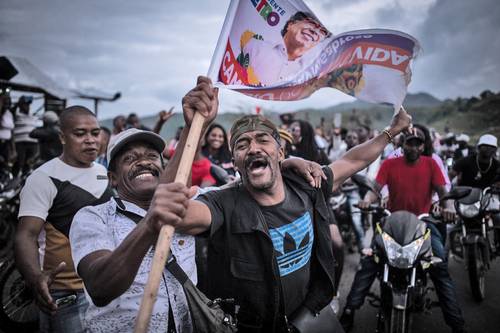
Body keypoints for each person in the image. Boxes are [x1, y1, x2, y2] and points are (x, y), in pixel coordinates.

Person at [161, 92, 412, 331]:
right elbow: (168, 211)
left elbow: (353, 160)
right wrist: (195, 128)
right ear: (235, 161)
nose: (253, 148)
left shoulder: (307, 183)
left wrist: (392, 131)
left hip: (306, 316)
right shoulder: (222, 204)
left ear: (280, 152)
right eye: (242, 144)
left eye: (263, 140)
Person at [69, 128, 197, 333]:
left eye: (152, 156)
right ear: (113, 178)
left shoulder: (187, 211)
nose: (145, 162)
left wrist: (194, 127)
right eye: (130, 158)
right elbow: (100, 288)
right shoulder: (92, 217)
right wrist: (149, 223)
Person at [340, 129, 466, 333]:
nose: (413, 147)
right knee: (371, 261)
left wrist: (449, 208)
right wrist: (366, 201)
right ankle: (348, 311)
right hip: (392, 223)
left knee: (439, 267)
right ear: (402, 145)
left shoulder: (431, 163)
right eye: (409, 143)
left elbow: (444, 192)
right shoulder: (389, 163)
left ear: (423, 146)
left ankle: (457, 325)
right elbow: (376, 188)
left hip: (424, 224)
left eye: (418, 143)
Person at [15, 106, 112, 333]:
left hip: (105, 286)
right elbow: (25, 235)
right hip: (66, 293)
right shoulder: (43, 178)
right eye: (80, 134)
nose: (90, 140)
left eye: (95, 133)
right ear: (62, 137)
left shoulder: (103, 171)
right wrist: (35, 277)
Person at [239, 11, 330, 86]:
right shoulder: (255, 46)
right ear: (290, 25)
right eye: (311, 23)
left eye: (321, 32)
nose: (315, 31)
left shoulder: (307, 76)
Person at [12, 95, 42, 176]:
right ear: (20, 105)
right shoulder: (16, 115)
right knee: (19, 162)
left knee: (29, 163)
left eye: (28, 105)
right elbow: (12, 110)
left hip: (33, 143)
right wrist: (17, 105)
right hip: (20, 142)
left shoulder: (32, 116)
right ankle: (14, 179)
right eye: (25, 104)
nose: (27, 106)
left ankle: (24, 180)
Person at [0, 91, 15, 168]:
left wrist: (13, 149)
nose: (7, 105)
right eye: (5, 103)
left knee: (6, 165)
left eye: (8, 103)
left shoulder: (9, 114)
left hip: (7, 144)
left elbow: (12, 132)